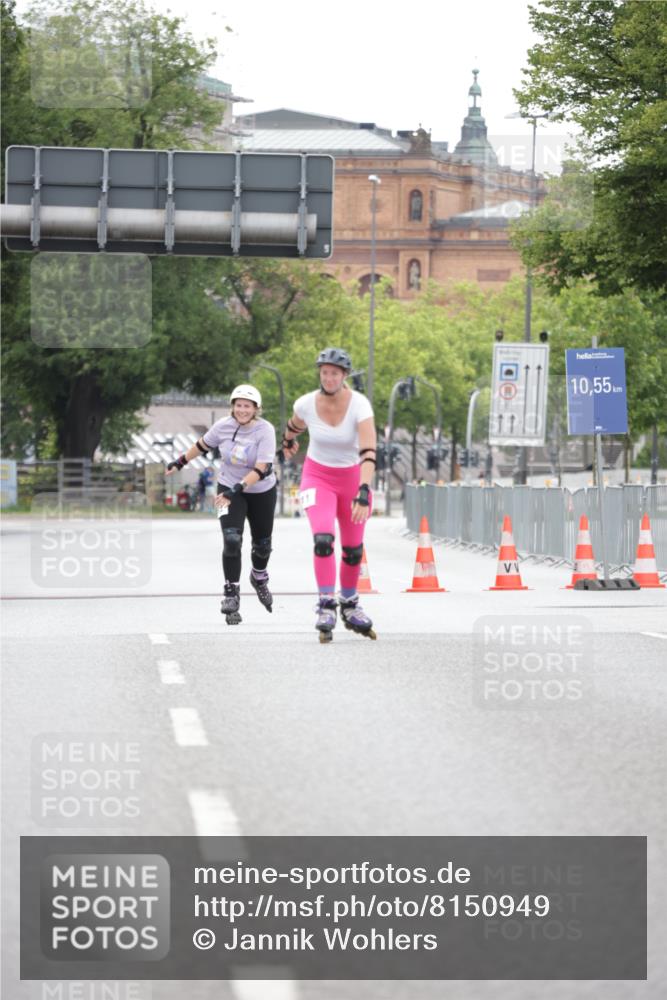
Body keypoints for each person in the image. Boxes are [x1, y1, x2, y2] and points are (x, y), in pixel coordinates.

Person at [282, 347, 377, 641]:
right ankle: (326, 603)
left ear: (344, 375)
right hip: (317, 477)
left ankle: (349, 603)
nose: (329, 378)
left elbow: (369, 452)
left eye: (334, 373)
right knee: (323, 540)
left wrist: (363, 491)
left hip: (352, 479)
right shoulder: (307, 403)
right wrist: (286, 443)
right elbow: (294, 426)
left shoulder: (360, 405)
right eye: (324, 373)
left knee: (352, 550)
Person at [166, 384, 277, 624]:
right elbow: (202, 445)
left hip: (260, 490)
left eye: (247, 406)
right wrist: (179, 462)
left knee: (263, 546)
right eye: (238, 405)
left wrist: (237, 489)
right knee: (232, 539)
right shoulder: (223, 426)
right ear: (232, 406)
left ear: (256, 408)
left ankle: (259, 578)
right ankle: (231, 593)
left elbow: (262, 468)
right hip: (228, 488)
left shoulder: (265, 430)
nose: (242, 410)